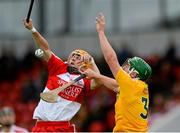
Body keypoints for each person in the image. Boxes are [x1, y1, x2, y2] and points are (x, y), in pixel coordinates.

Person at [23, 19, 118, 132]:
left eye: (78, 58)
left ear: (84, 64)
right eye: (73, 56)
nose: (73, 58)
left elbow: (98, 80)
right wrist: (33, 29)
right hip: (42, 126)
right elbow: (45, 48)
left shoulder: (84, 81)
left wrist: (92, 62)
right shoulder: (59, 66)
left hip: (63, 127)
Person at [94, 13, 152, 132]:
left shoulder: (131, 85)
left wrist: (101, 32)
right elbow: (115, 85)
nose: (123, 68)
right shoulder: (137, 87)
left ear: (134, 74)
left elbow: (111, 59)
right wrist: (95, 75)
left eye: (127, 67)